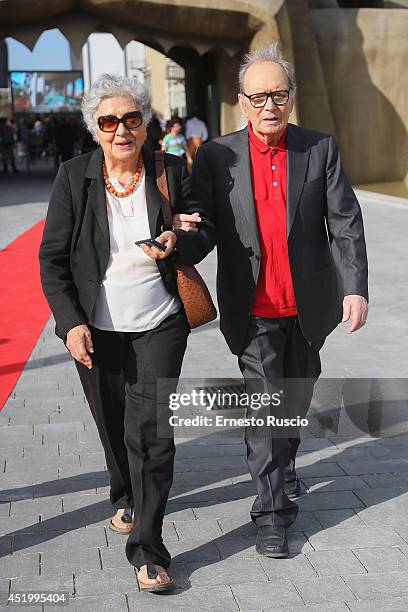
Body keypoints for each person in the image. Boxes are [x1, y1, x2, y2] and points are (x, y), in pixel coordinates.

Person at [174, 43, 369, 558]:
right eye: (258, 96)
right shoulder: (218, 155)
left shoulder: (319, 148)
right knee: (266, 413)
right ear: (242, 101)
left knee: (293, 404)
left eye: (278, 95)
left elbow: (345, 222)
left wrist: (355, 288)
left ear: (291, 98)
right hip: (252, 308)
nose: (269, 106)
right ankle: (272, 514)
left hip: (308, 309)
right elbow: (206, 227)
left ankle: (285, 468)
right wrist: (180, 241)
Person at [39, 73, 209, 591]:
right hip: (96, 330)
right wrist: (70, 324)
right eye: (109, 121)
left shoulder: (170, 170)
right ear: (95, 128)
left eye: (131, 119)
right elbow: (53, 260)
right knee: (114, 426)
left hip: (159, 323)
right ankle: (126, 496)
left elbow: (204, 233)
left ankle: (149, 550)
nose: (121, 130)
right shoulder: (74, 177)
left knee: (152, 435)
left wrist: (177, 242)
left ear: (145, 124)